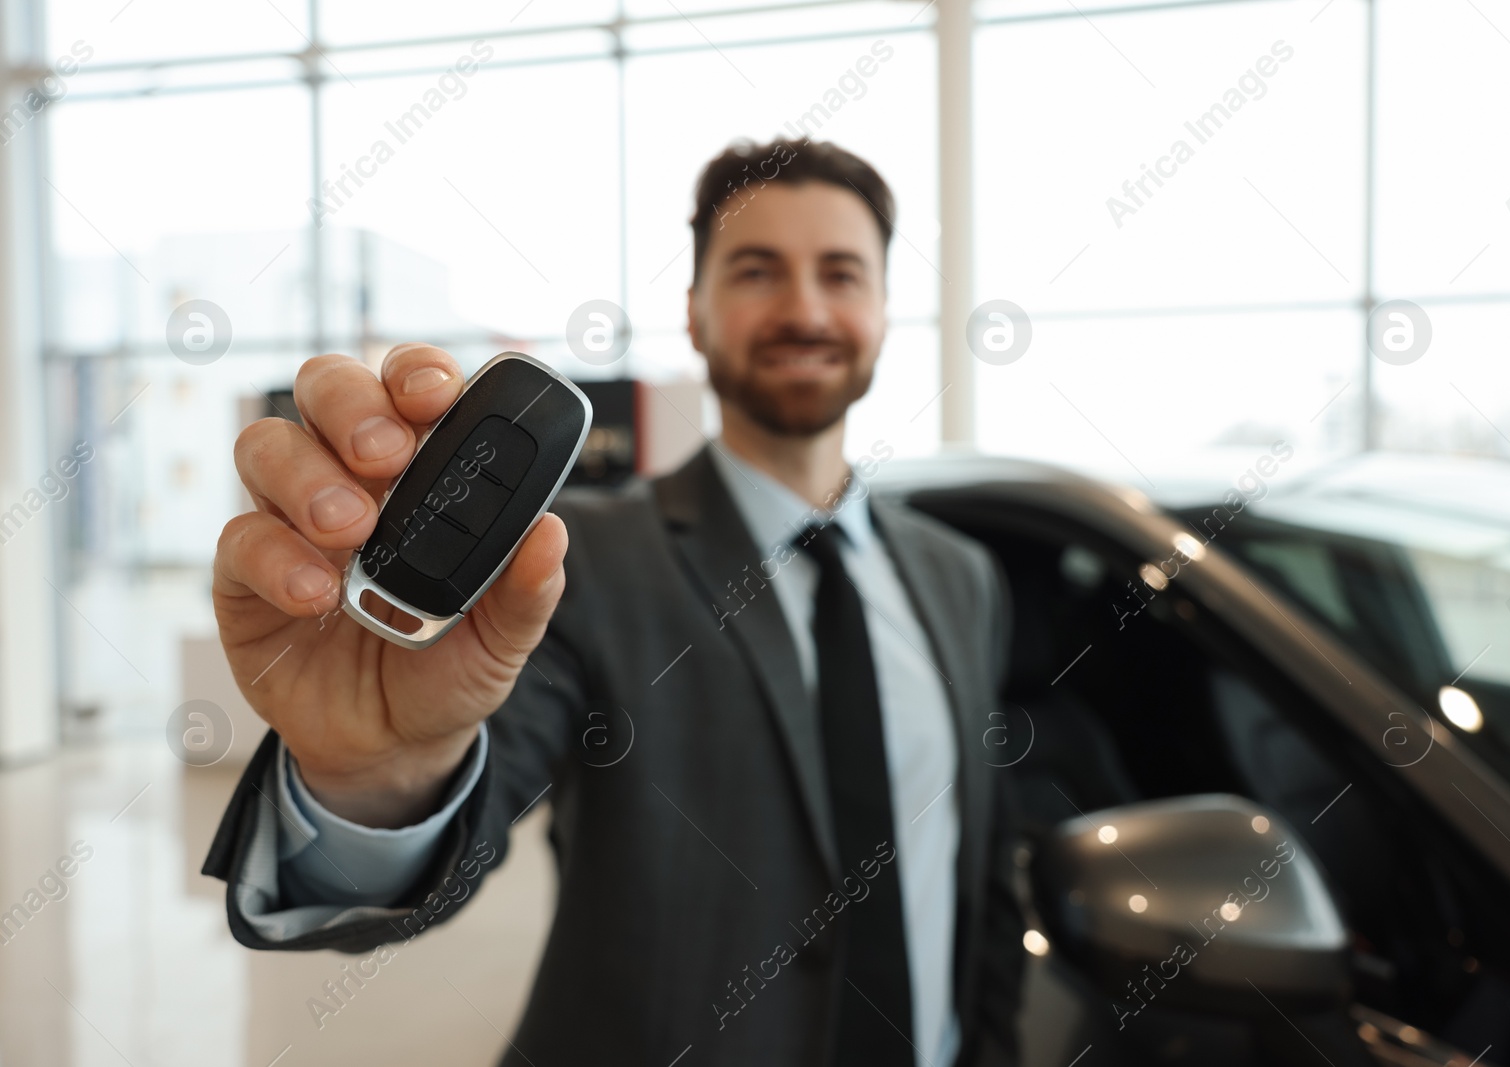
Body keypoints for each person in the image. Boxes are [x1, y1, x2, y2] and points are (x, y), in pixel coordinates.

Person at [203, 138, 1025, 1066]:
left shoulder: (963, 577)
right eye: (757, 271)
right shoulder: (569, 562)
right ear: (697, 311)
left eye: (842, 273)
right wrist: (369, 776)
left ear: (881, 308)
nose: (804, 308)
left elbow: (980, 873)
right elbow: (459, 826)